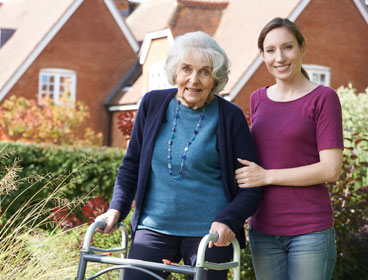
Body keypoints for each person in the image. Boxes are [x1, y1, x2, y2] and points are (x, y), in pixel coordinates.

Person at [96, 31, 263, 280]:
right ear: (176, 71)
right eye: (187, 69)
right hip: (153, 228)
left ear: (215, 78)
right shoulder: (152, 104)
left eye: (205, 72)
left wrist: (229, 220)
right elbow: (131, 165)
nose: (194, 80)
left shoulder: (230, 117)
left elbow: (252, 187)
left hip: (210, 233)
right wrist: (116, 208)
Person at [235, 17, 344, 280]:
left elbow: (331, 169)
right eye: (270, 50)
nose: (279, 58)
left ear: (302, 48)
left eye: (288, 47)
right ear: (262, 55)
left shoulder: (323, 98)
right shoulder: (257, 98)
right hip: (263, 231)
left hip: (310, 231)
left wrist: (267, 176)